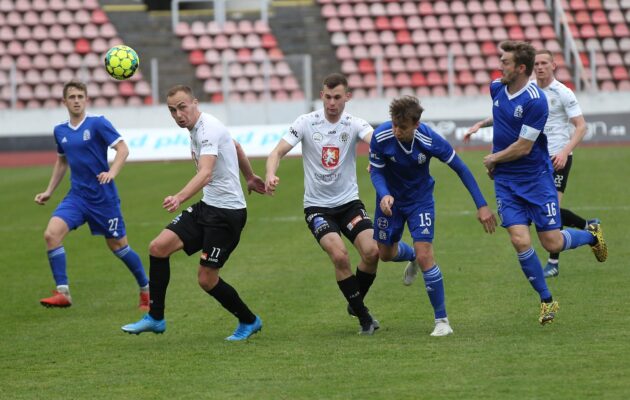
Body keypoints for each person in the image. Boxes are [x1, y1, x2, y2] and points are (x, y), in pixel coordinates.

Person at [465, 41, 607, 325]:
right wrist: (483, 125)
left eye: (504, 62)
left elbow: (524, 147)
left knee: (551, 241)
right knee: (519, 240)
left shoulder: (535, 101)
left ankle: (591, 235)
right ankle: (546, 300)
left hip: (536, 180)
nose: (499, 66)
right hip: (506, 182)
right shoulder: (496, 87)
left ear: (520, 68)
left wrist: (494, 159)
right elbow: (502, 113)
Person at [121, 85, 266, 341]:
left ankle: (249, 320)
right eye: (172, 110)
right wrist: (250, 177)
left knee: (206, 279)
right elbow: (237, 146)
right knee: (158, 247)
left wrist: (179, 197)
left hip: (227, 215)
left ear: (195, 103)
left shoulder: (207, 128)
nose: (178, 114)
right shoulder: (197, 128)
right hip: (208, 206)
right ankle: (155, 317)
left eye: (182, 107)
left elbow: (206, 172)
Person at [369, 96, 497, 337]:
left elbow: (461, 168)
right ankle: (412, 257)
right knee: (385, 254)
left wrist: (481, 205)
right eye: (394, 125)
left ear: (416, 125)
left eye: (403, 127)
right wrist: (384, 194)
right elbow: (376, 170)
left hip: (420, 202)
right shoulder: (382, 136)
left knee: (426, 254)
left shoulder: (429, 139)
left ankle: (442, 321)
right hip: (389, 203)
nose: (397, 131)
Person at [265, 73, 381, 335]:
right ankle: (364, 317)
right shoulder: (306, 122)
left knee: (372, 252)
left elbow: (378, 141)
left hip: (349, 202)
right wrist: (271, 173)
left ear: (347, 97)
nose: (331, 103)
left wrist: (377, 157)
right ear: (322, 96)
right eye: (327, 97)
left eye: (337, 97)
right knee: (340, 256)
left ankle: (355, 301)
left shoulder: (353, 123)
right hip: (317, 207)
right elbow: (276, 152)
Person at [34, 80, 150, 310]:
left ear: (86, 99)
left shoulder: (98, 123)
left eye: (80, 96)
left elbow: (123, 149)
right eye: (72, 97)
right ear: (64, 101)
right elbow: (62, 161)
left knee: (119, 247)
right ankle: (63, 292)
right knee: (51, 235)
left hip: (103, 199)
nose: (77, 100)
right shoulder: (60, 130)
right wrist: (49, 191)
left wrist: (111, 172)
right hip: (77, 197)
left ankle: (146, 290)